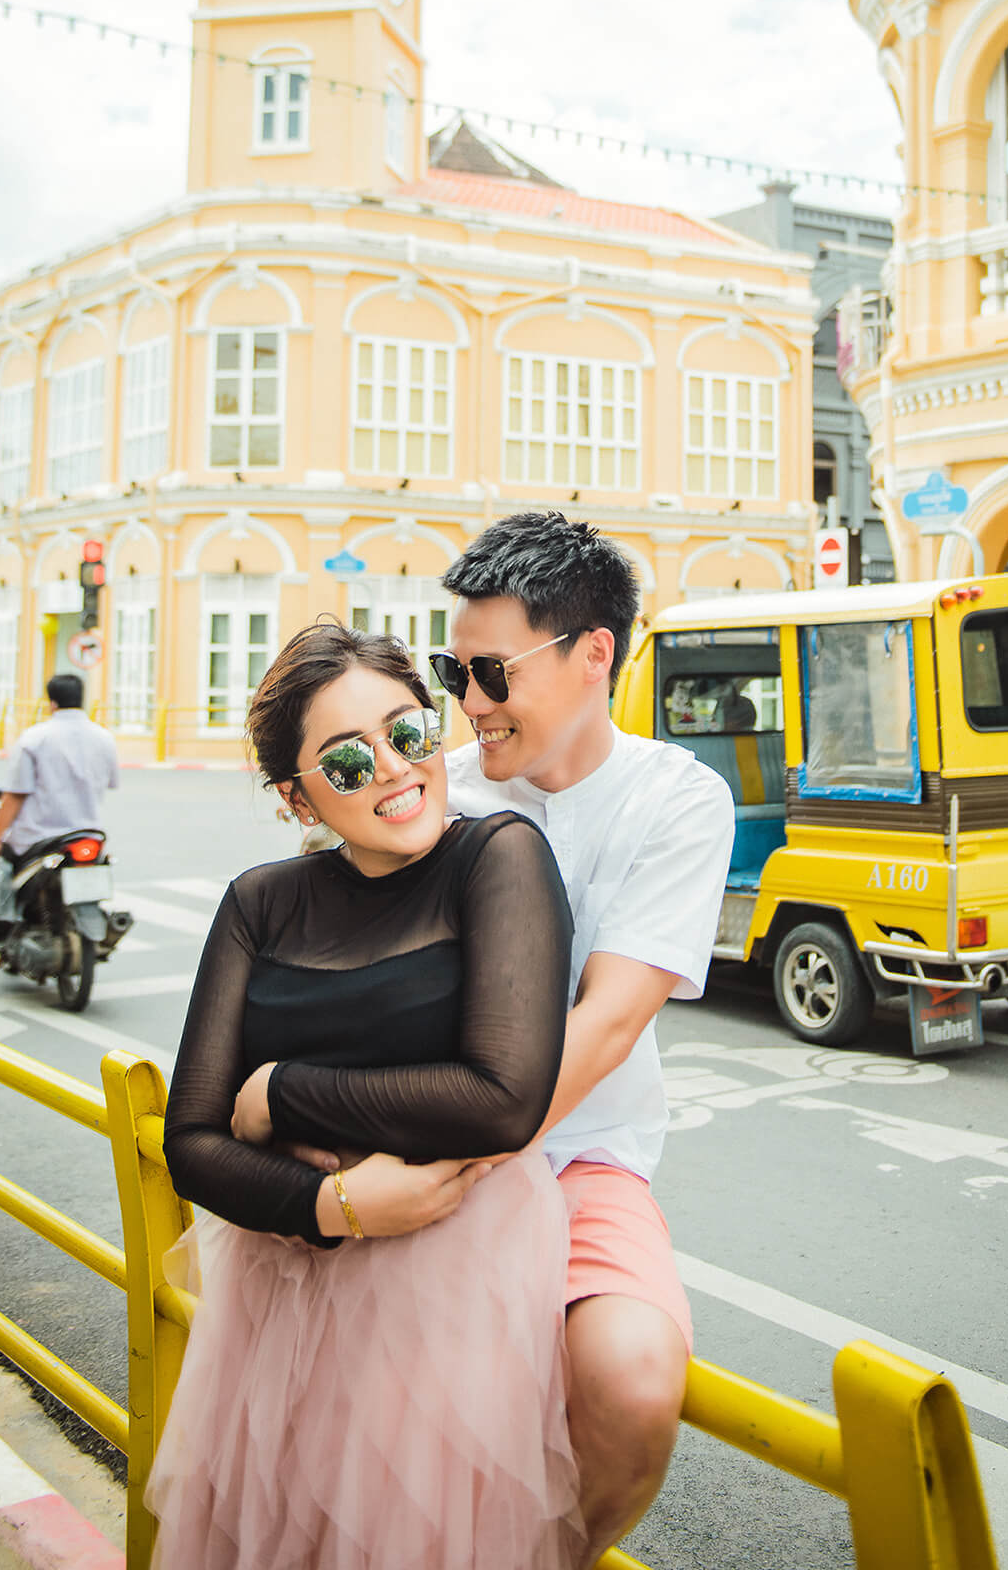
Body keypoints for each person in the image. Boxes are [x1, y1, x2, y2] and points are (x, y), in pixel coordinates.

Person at [244, 516, 736, 1560]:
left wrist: (437, 1164)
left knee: (637, 1383)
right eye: (449, 668)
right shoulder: (432, 786)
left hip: (571, 1155)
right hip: (383, 1135)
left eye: (489, 670)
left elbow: (606, 1022)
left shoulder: (675, 800)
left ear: (592, 650)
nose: (467, 701)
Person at [150, 623, 583, 1570]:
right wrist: (332, 1206)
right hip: (279, 1298)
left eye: (409, 733)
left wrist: (282, 1093)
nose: (394, 769)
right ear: (296, 796)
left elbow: (503, 1097)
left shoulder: (497, 857)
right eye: (348, 762)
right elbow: (190, 1140)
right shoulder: (259, 904)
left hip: (452, 1283)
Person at [0, 671, 119, 997]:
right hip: (89, 835)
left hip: (38, 839)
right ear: (80, 699)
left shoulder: (35, 738)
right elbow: (110, 782)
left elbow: (15, 794)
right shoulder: (104, 738)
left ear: (51, 701)